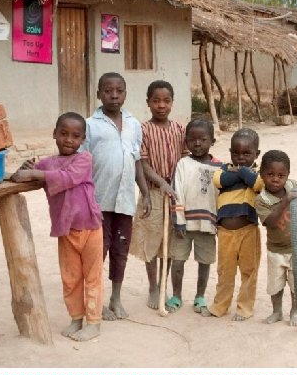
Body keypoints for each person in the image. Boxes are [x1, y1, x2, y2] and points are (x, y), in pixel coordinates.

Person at [10, 112, 103, 341]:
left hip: (90, 227)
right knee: (70, 277)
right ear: (54, 134)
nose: (69, 139)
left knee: (92, 276)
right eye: (63, 134)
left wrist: (33, 173)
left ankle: (93, 323)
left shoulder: (84, 159)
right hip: (66, 230)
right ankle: (76, 318)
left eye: (75, 136)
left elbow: (66, 177)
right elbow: (19, 177)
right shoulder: (46, 164)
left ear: (83, 140)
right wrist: (24, 168)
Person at [81, 72, 150, 320]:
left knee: (120, 250)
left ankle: (115, 298)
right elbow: (81, 162)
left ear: (125, 93)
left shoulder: (134, 124)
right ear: (98, 93)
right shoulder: (90, 125)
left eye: (119, 90)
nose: (114, 95)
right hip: (98, 201)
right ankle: (95, 300)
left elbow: (137, 161)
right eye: (108, 90)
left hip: (125, 202)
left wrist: (145, 192)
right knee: (98, 251)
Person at [129, 80, 186, 310]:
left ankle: (164, 284)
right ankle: (153, 286)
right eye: (156, 101)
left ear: (172, 103)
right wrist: (161, 183)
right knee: (151, 242)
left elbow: (185, 160)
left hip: (175, 195)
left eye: (166, 100)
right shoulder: (142, 130)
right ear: (148, 103)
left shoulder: (180, 129)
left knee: (169, 243)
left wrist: (175, 186)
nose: (161, 105)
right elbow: (142, 164)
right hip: (152, 193)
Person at [202, 127, 263, 321]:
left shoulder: (259, 173)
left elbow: (258, 184)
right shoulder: (224, 169)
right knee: (225, 271)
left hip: (248, 231)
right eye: (236, 153)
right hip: (226, 232)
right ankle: (220, 306)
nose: (241, 157)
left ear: (257, 154)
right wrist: (241, 174)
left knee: (249, 270)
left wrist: (243, 172)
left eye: (247, 153)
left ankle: (244, 308)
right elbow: (220, 181)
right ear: (230, 152)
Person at [167, 119, 222, 314]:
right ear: (186, 141)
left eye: (203, 139)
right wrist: (179, 221)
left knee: (204, 262)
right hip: (184, 224)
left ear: (212, 141)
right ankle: (176, 295)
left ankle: (200, 296)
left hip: (207, 224)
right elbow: (177, 192)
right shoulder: (183, 164)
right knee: (178, 260)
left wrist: (218, 222)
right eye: (192, 140)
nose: (197, 143)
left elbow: (220, 197)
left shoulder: (219, 167)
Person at [255, 150, 297, 326]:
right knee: (275, 284)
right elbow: (270, 222)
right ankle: (277, 311)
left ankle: (296, 311)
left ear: (288, 175)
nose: (275, 179)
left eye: (281, 175)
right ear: (262, 175)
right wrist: (285, 201)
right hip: (276, 250)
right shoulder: (262, 200)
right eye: (270, 174)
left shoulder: (292, 186)